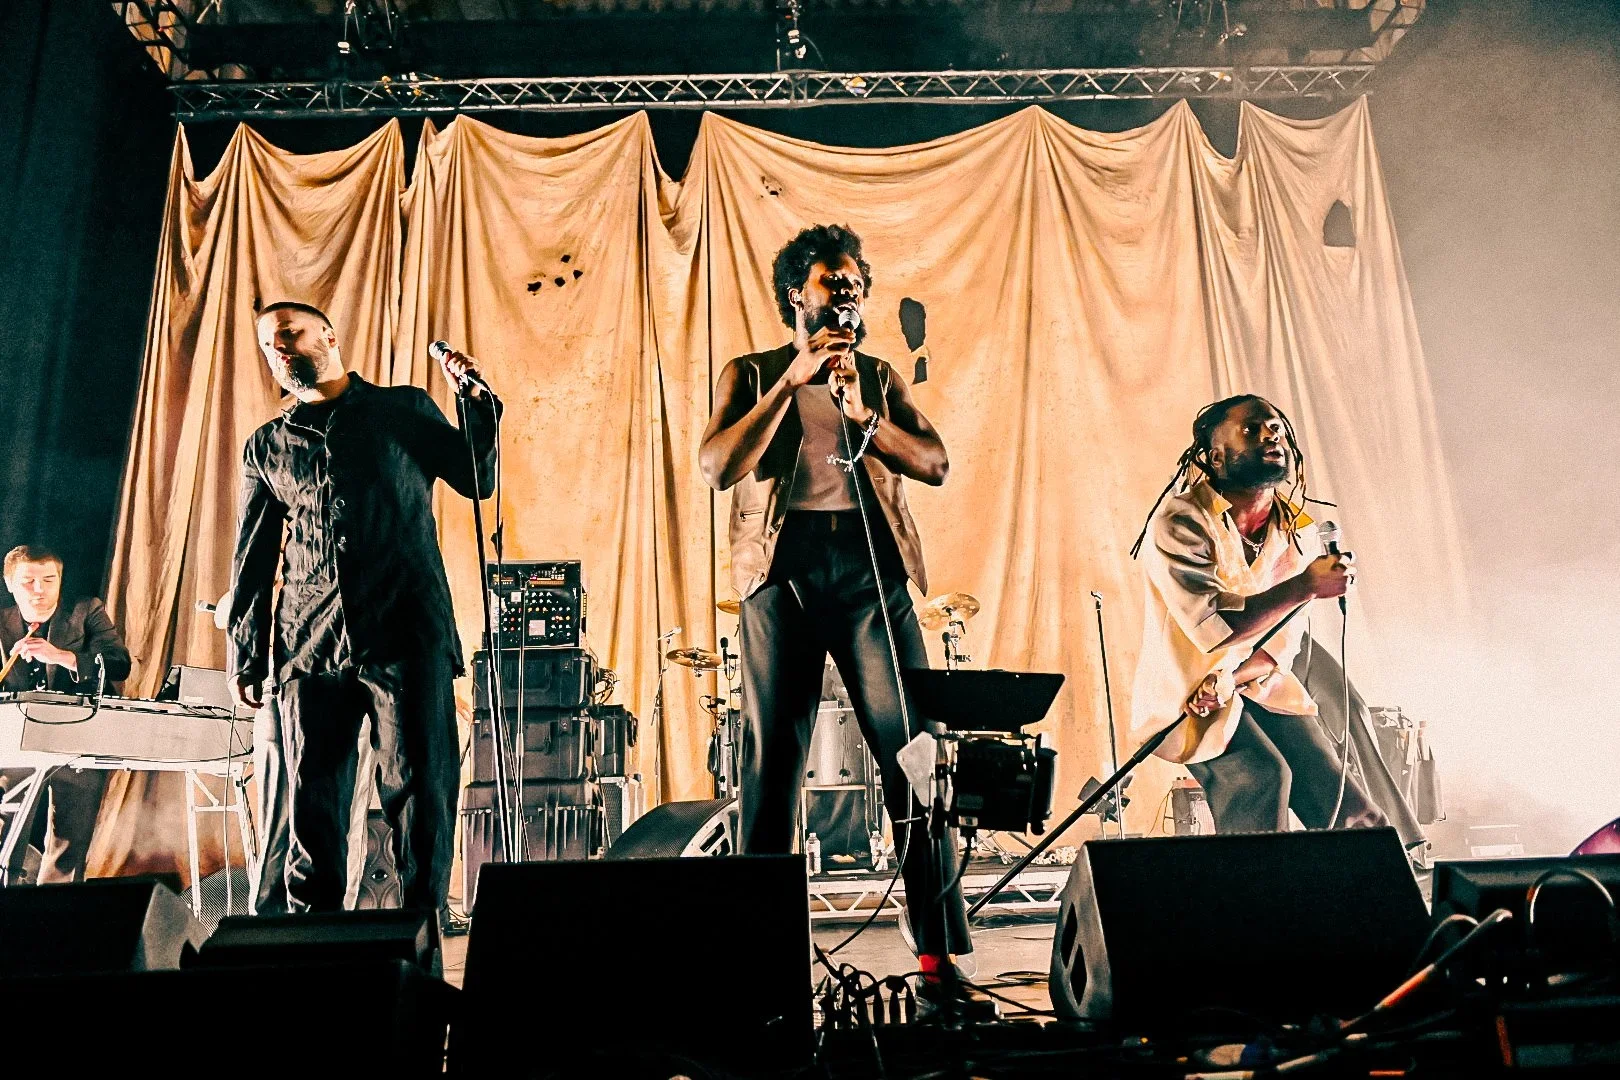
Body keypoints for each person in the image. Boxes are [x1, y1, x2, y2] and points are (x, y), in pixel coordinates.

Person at [699, 224, 971, 995]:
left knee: (914, 758)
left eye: (856, 284)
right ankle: (759, 962)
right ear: (798, 293)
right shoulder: (752, 373)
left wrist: (861, 413)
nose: (848, 294)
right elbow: (719, 465)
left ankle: (936, 957)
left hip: (867, 569)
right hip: (782, 573)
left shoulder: (879, 377)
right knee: (771, 765)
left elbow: (936, 464)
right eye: (832, 282)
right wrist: (794, 379)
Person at [227, 301, 497, 918]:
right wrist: (248, 653)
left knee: (419, 794)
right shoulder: (267, 446)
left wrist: (478, 405)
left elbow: (476, 478)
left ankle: (419, 938)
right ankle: (312, 947)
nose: (281, 350)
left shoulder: (402, 409)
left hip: (406, 633)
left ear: (327, 334)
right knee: (312, 803)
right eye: (270, 345)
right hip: (309, 645)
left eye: (289, 334)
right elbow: (252, 557)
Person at [1128, 395, 1384, 833]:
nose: (1272, 435)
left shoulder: (1295, 527)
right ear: (1215, 455)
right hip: (1186, 697)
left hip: (1255, 681)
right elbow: (1214, 626)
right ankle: (1263, 896)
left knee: (1347, 805)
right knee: (1261, 779)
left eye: (1277, 428)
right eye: (1251, 429)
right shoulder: (1180, 521)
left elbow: (1286, 637)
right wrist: (1305, 585)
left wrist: (1233, 677)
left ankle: (1369, 896)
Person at [1, 544, 132, 882]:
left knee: (69, 843)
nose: (40, 590)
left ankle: (52, 916)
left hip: (77, 739)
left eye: (49, 579)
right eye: (28, 581)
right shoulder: (1, 624)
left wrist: (62, 656)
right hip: (17, 743)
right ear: (10, 584)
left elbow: (120, 664)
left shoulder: (86, 611)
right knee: (6, 831)